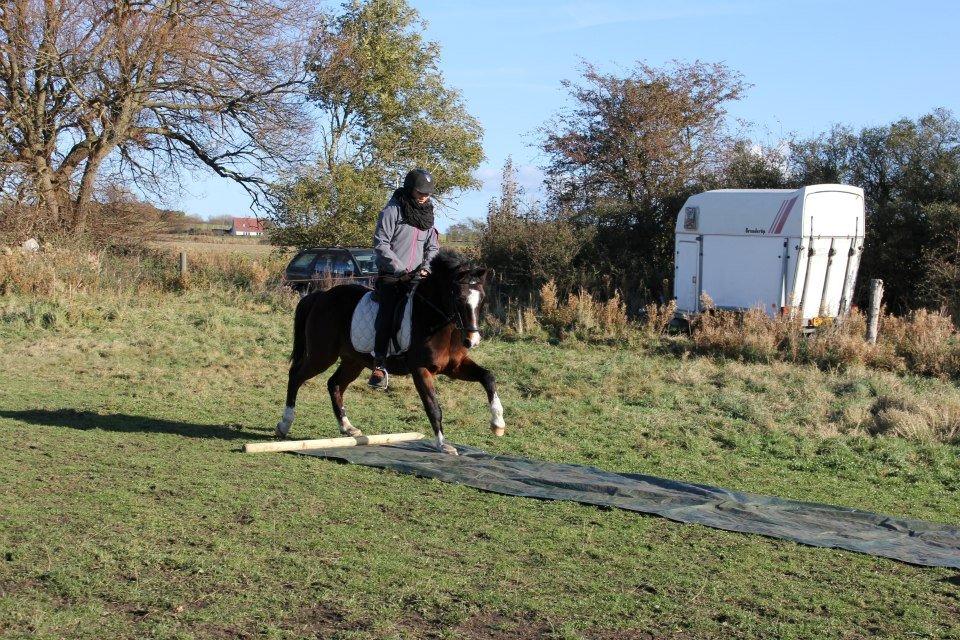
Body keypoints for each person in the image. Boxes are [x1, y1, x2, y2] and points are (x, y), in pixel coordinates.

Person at [368, 168, 441, 390]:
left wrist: (427, 267)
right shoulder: (392, 210)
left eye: (427, 193)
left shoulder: (428, 213)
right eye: (420, 192)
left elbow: (433, 246)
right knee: (388, 312)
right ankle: (379, 364)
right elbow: (381, 243)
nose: (424, 196)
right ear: (410, 189)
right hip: (392, 277)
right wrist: (399, 269)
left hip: (419, 277)